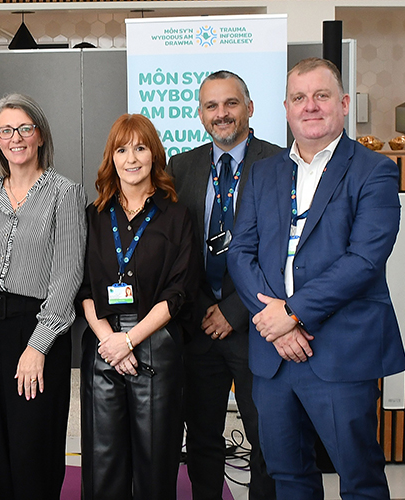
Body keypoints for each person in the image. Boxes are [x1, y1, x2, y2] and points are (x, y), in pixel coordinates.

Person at [227, 57, 405, 498]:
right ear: (285, 108)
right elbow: (240, 252)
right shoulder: (264, 172)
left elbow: (364, 260)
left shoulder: (374, 170)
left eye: (321, 96)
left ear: (343, 105)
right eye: (299, 98)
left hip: (340, 351)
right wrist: (275, 321)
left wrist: (292, 313)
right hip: (274, 356)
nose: (310, 106)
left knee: (359, 479)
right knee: (287, 476)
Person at [0, 93, 86, 500]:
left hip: (37, 330)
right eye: (6, 130)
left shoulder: (65, 193)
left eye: (25, 128)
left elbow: (66, 277)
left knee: (34, 452)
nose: (16, 137)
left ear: (40, 135)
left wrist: (38, 346)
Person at [168, 70, 279, 500]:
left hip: (256, 326)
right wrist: (200, 307)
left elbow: (280, 250)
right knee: (202, 441)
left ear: (249, 108)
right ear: (200, 114)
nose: (222, 114)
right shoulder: (182, 166)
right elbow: (176, 248)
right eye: (211, 106)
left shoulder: (278, 163)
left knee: (266, 439)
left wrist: (234, 310)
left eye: (230, 103)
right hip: (198, 326)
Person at [78, 113, 200, 499]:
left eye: (141, 148)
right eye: (122, 149)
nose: (132, 158)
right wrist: (110, 341)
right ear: (111, 158)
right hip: (103, 345)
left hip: (156, 343)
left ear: (154, 154)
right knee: (103, 464)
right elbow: (83, 289)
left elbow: (179, 291)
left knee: (155, 462)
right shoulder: (94, 216)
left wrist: (129, 340)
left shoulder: (177, 215)